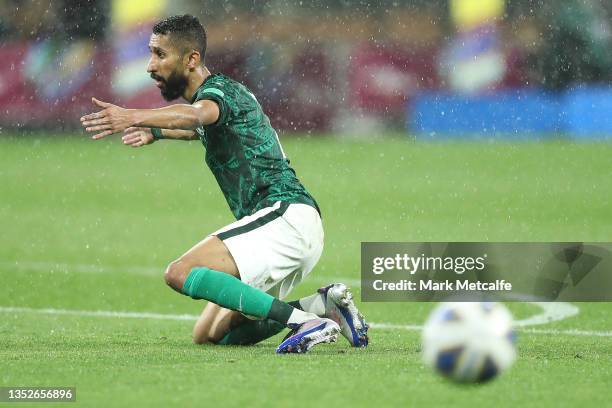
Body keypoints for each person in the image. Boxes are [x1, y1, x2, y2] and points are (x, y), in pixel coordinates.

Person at [80, 14, 368, 353]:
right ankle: (321, 308)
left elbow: (199, 116)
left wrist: (132, 115)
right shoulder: (221, 95)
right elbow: (199, 127)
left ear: (191, 60)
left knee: (179, 272)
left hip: (283, 216)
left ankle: (304, 323)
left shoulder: (216, 94)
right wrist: (157, 132)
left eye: (159, 54)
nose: (150, 66)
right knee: (210, 333)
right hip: (291, 226)